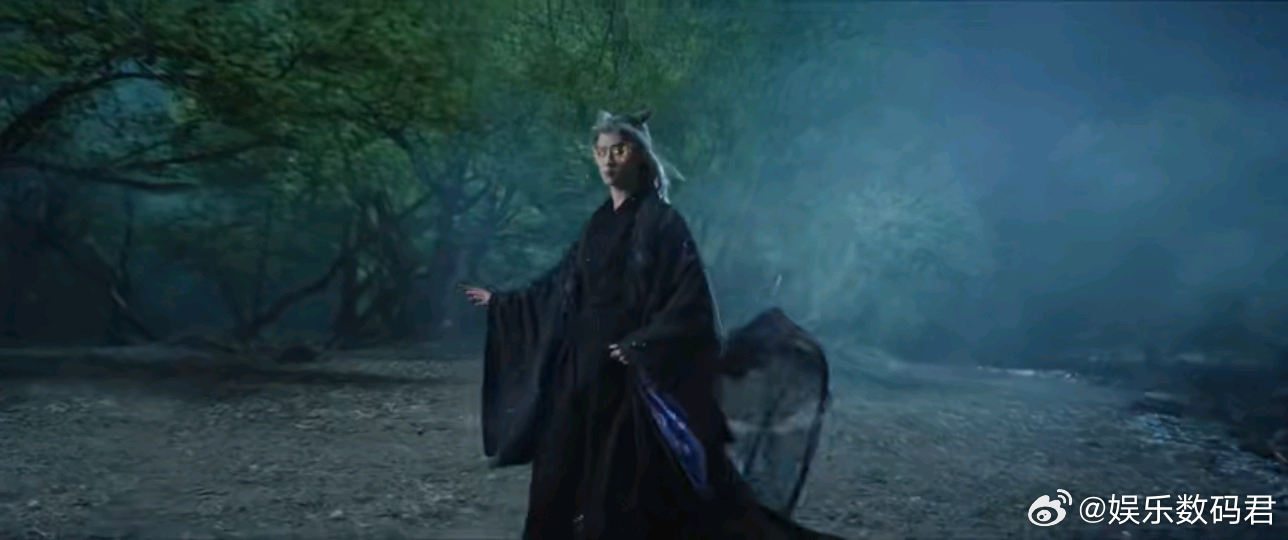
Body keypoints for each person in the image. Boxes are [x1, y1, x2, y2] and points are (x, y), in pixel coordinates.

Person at [460, 109, 841, 540]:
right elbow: (561, 283)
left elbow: (691, 302)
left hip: (628, 379)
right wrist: (505, 303)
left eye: (618, 150)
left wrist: (643, 343)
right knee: (557, 472)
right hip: (578, 371)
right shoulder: (598, 223)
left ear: (639, 155)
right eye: (601, 151)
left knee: (622, 488)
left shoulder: (664, 223)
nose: (608, 160)